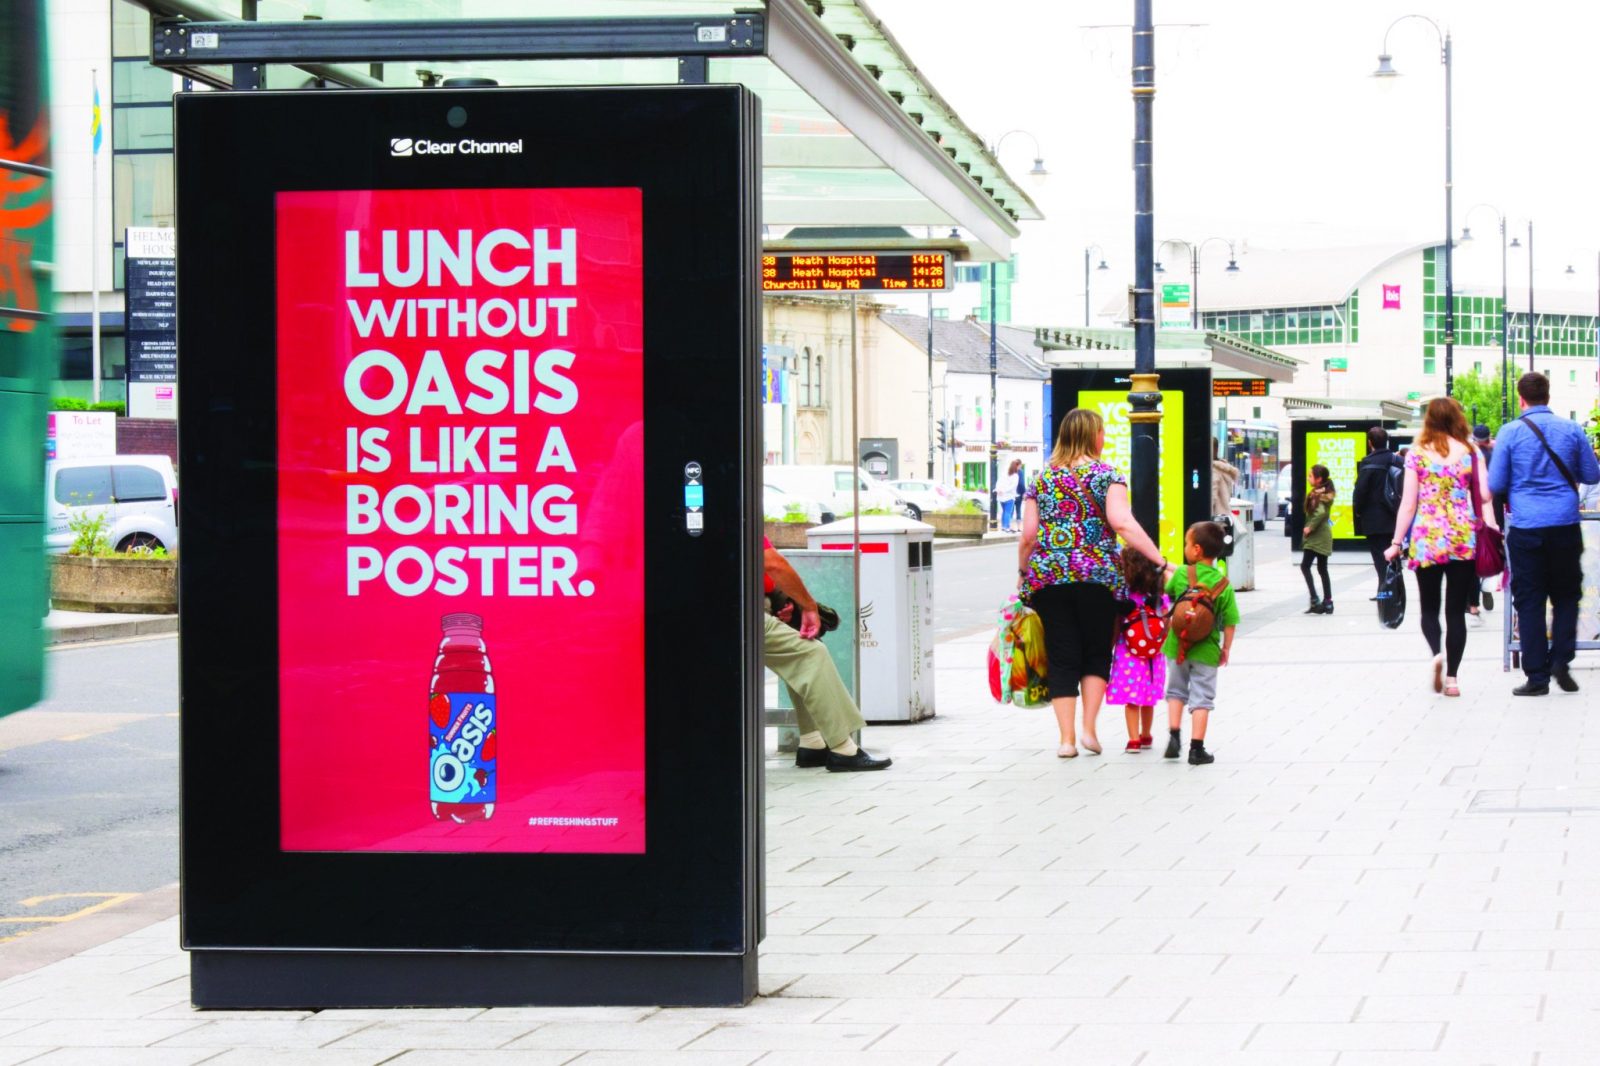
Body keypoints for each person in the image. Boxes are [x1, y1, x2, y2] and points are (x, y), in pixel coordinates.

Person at [1018, 408, 1170, 759]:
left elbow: (1028, 536)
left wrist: (1023, 573)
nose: (1104, 438)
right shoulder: (1108, 475)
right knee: (1095, 651)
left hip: (1049, 578)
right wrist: (1159, 561)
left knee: (1061, 655)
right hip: (1098, 577)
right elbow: (1123, 523)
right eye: (1101, 432)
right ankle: (1089, 729)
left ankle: (1066, 740)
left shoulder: (1041, 479)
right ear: (1093, 436)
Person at [1488, 372, 1600, 696]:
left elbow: (1496, 483)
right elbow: (1592, 474)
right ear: (1548, 396)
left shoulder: (1510, 432)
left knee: (1530, 599)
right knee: (1567, 595)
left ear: (1521, 399)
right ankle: (1561, 660)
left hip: (1526, 528)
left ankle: (1537, 677)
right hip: (1565, 524)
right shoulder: (1572, 429)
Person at [1385, 397, 1498, 699]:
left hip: (1427, 537)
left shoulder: (1417, 454)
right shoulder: (1471, 452)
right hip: (1462, 536)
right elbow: (1486, 495)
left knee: (1429, 608)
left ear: (1430, 420)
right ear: (1458, 418)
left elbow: (1408, 504)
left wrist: (1396, 543)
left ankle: (1436, 653)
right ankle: (1452, 680)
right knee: (1456, 612)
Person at [763, 538, 891, 771]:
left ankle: (812, 742)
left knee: (800, 653)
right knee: (810, 653)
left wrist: (781, 599)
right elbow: (773, 564)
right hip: (741, 610)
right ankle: (844, 749)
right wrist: (808, 606)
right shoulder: (736, 517)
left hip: (756, 605)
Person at [1162, 521, 1240, 766]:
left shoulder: (1183, 573)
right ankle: (1197, 749)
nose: (1185, 547)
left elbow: (1169, 592)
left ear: (1196, 550)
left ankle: (1174, 735)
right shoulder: (1223, 584)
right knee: (1202, 698)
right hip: (1207, 650)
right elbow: (1230, 621)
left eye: (1187, 543)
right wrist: (1225, 649)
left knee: (1176, 691)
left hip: (1177, 646)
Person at [1108, 552, 1170, 753]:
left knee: (1131, 699)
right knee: (1148, 698)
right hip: (1153, 655)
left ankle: (1133, 739)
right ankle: (1146, 735)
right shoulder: (1159, 598)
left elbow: (1115, 626)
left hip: (1128, 654)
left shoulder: (1123, 598)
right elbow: (1167, 624)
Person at [1353, 425, 1404, 597]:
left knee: (1379, 557)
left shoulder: (1368, 463)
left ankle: (1384, 591)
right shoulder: (1397, 461)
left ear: (1370, 442)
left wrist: (1358, 510)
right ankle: (1397, 590)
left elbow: (1360, 491)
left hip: (1374, 518)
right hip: (1395, 516)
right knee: (1394, 554)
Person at [1301, 464, 1335, 614]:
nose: (1308, 478)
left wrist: (1310, 527)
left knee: (1305, 566)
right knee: (1322, 569)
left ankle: (1315, 600)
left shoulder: (1317, 495)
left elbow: (1321, 513)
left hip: (1317, 537)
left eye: (1310, 476)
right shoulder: (1325, 493)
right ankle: (1328, 602)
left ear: (1319, 479)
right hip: (1324, 536)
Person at [1210, 438, 1238, 518]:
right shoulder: (1224, 468)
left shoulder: (1214, 469)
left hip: (1214, 517)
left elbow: (1211, 498)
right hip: (1224, 515)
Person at [1000, 458, 1023, 532]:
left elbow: (1000, 482)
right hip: (1010, 495)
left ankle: (1003, 526)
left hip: (1002, 496)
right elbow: (1014, 486)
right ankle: (1007, 527)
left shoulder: (1005, 474)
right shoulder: (1016, 475)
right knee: (1008, 512)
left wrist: (1000, 490)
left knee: (1004, 511)